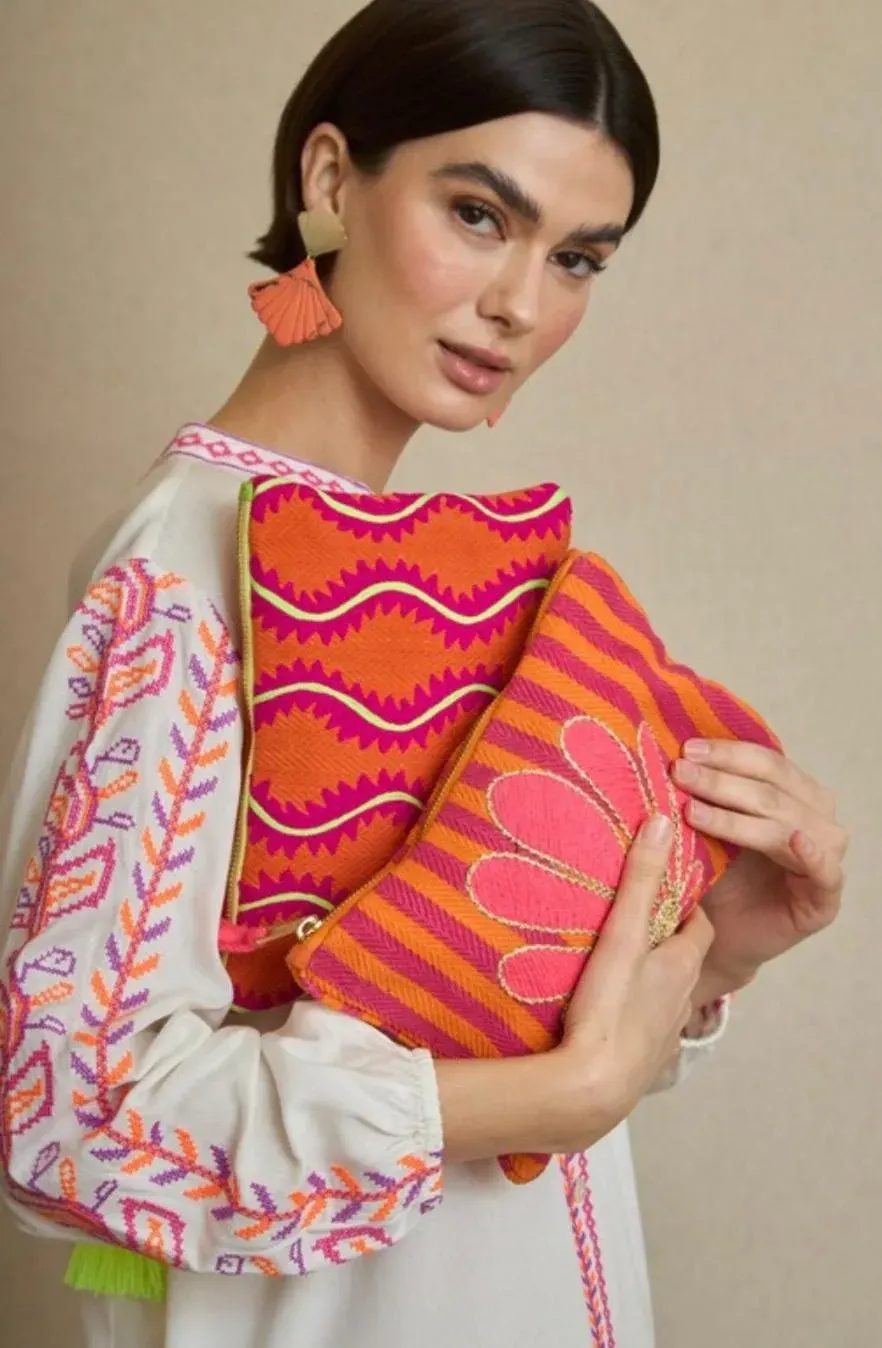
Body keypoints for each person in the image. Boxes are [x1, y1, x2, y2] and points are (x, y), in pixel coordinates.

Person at [0, 2, 848, 1345]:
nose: (520, 303)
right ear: (331, 182)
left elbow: (453, 1015)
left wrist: (706, 957)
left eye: (576, 258)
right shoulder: (187, 574)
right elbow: (69, 1120)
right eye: (476, 215)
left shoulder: (390, 563)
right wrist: (539, 1106)